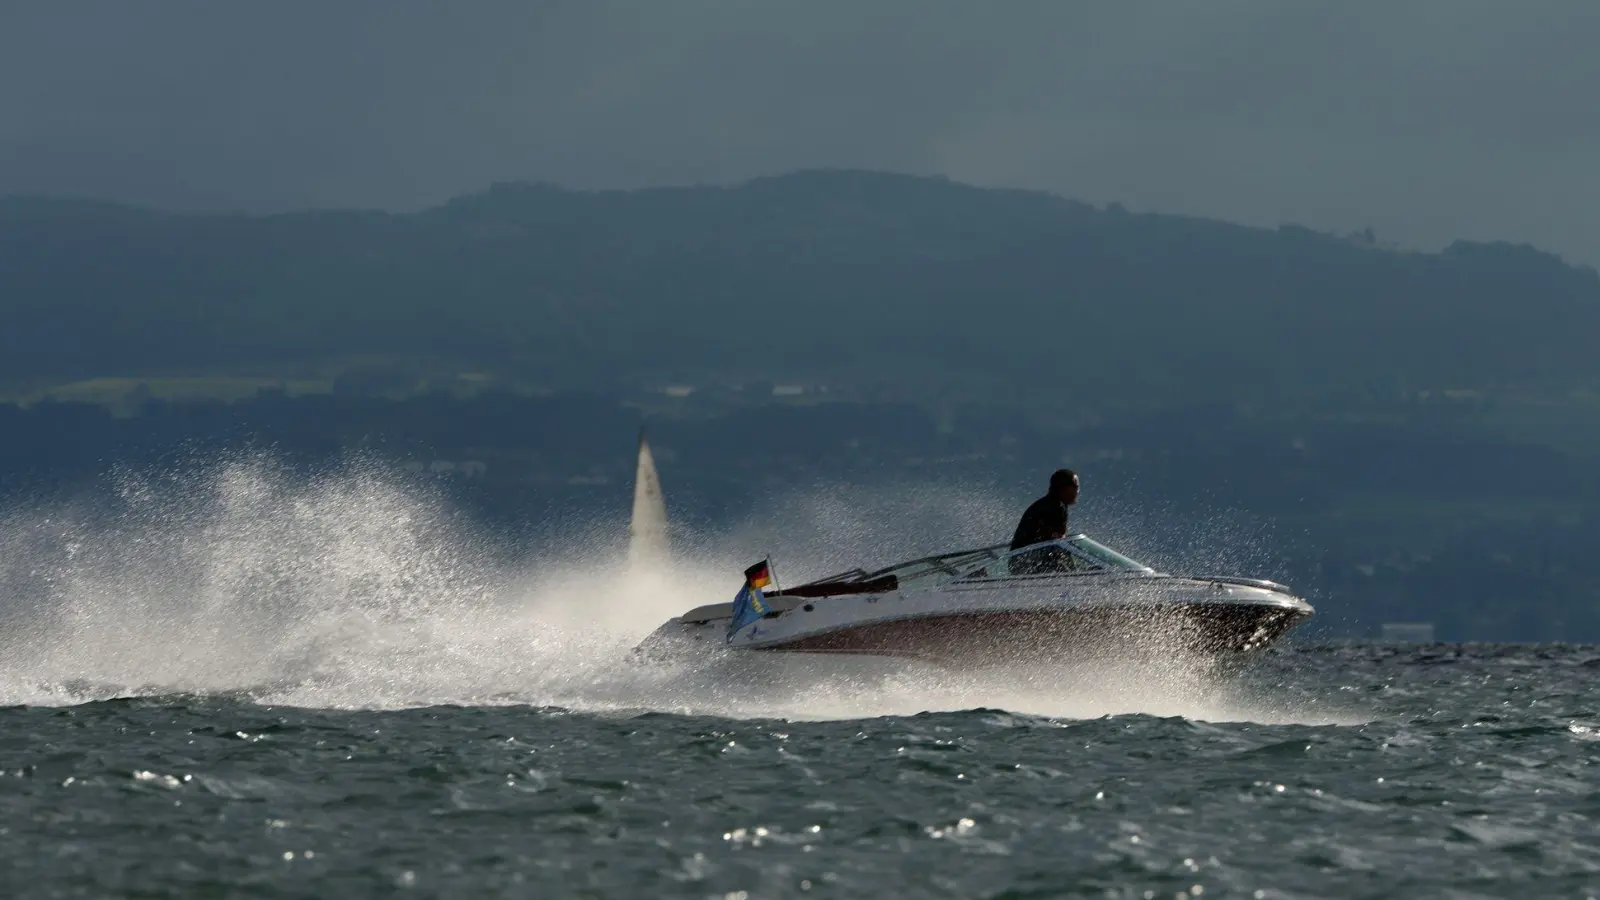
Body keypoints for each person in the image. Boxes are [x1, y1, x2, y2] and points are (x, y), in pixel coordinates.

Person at [1008, 469, 1079, 574]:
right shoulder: (1051, 507)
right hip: (1022, 561)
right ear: (1062, 489)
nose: (1077, 492)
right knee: (1061, 565)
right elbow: (1058, 543)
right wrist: (1074, 573)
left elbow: (1060, 544)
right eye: (1075, 488)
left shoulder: (1060, 505)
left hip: (1033, 557)